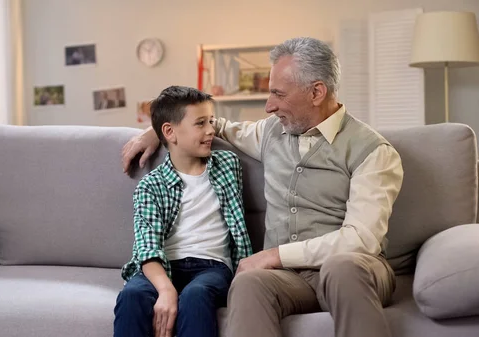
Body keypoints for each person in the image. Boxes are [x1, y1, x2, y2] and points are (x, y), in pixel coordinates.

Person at [121, 37, 404, 337]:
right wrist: (158, 133)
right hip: (290, 280)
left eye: (278, 94)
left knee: (341, 268)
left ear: (317, 92)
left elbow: (361, 241)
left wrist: (273, 256)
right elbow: (210, 126)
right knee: (247, 282)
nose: (269, 106)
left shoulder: (373, 151)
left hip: (355, 271)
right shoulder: (272, 132)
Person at [114, 86, 253, 337]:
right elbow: (148, 248)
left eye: (211, 121)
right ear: (169, 131)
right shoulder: (150, 185)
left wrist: (159, 132)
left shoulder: (228, 166)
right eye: (201, 124)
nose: (211, 130)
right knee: (132, 295)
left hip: (213, 268)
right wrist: (166, 291)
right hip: (164, 267)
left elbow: (234, 130)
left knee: (196, 295)